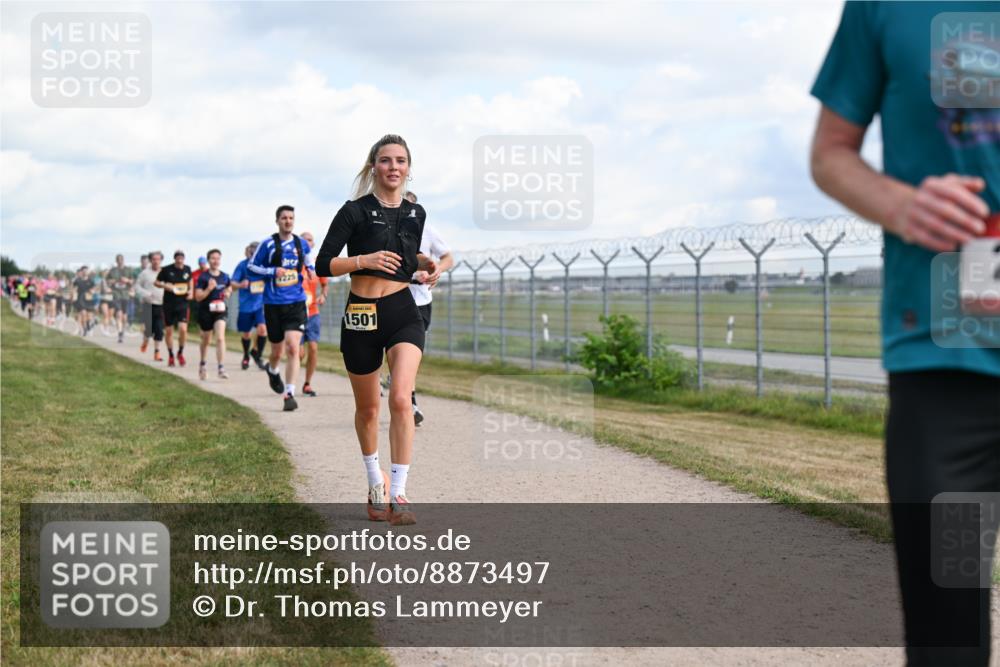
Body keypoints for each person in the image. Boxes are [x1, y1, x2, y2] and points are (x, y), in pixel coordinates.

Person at [810, 4, 1000, 665]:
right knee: (948, 639)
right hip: (947, 369)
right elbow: (831, 152)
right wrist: (902, 205)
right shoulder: (883, 7)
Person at [316, 134, 437, 526]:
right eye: (386, 160)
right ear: (373, 167)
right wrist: (361, 260)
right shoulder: (353, 211)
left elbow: (403, 259)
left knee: (401, 399)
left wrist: (424, 265)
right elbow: (323, 263)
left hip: (403, 310)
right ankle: (375, 481)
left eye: (401, 160)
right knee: (368, 409)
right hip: (362, 314)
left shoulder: (417, 214)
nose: (394, 167)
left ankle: (399, 492)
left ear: (408, 167)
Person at [248, 205, 316, 412]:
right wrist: (272, 271)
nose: (288, 221)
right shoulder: (267, 244)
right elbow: (251, 266)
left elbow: (308, 259)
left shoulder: (300, 243)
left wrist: (311, 270)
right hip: (273, 304)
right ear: (277, 221)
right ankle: (272, 369)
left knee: (293, 347)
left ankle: (289, 393)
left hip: (295, 302)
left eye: (291, 218)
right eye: (284, 218)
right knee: (276, 351)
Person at [403, 191, 453, 425]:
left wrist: (436, 271)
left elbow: (448, 258)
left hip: (421, 300)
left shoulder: (429, 231)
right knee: (398, 352)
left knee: (413, 354)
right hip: (395, 297)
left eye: (411, 208)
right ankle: (408, 400)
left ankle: (406, 395)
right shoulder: (386, 231)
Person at [194, 249, 232, 380]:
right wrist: (209, 289)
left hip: (220, 310)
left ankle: (221, 368)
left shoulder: (225, 276)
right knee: (206, 340)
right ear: (208, 260)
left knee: (220, 338)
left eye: (218, 258)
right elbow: (198, 297)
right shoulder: (203, 277)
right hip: (205, 311)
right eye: (213, 258)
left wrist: (228, 292)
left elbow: (229, 287)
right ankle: (202, 364)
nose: (215, 261)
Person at [299, 231, 328, 397]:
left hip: (313, 312)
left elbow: (324, 285)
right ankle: (291, 381)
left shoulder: (317, 264)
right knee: (299, 353)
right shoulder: (293, 262)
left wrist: (323, 295)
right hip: (296, 312)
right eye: (303, 240)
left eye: (310, 240)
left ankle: (307, 384)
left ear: (313, 244)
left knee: (314, 348)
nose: (307, 242)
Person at [231, 242, 268, 370]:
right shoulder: (242, 266)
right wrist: (241, 284)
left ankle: (258, 355)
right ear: (248, 252)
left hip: (260, 305)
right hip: (245, 306)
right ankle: (246, 355)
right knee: (246, 334)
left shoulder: (264, 265)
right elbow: (233, 284)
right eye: (252, 251)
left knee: (263, 330)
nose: (254, 254)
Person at [155, 250, 192, 367]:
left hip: (183, 303)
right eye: (178, 258)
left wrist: (191, 290)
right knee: (169, 331)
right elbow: (156, 282)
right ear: (175, 259)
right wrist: (165, 285)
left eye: (182, 258)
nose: (180, 260)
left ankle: (180, 353)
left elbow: (191, 280)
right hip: (169, 304)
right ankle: (171, 355)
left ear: (184, 259)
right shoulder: (166, 270)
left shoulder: (187, 269)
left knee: (183, 329)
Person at [135, 251, 165, 361]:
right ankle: (145, 341)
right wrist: (146, 294)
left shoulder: (165, 272)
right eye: (154, 259)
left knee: (159, 329)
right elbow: (137, 286)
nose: (156, 261)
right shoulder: (145, 273)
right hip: (148, 304)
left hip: (161, 304)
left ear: (161, 260)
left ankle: (157, 352)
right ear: (150, 260)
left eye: (158, 259)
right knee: (149, 330)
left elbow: (170, 285)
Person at [106, 254, 133, 343]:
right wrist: (111, 281)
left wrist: (127, 280)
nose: (120, 261)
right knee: (118, 314)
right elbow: (107, 281)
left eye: (121, 259)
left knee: (124, 316)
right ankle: (120, 334)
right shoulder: (113, 271)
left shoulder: (128, 270)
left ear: (123, 260)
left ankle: (123, 330)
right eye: (118, 259)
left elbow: (133, 281)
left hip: (125, 294)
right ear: (116, 261)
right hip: (116, 294)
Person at [72, 267, 95, 335]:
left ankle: (89, 324)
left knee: (89, 317)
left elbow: (94, 289)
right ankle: (84, 329)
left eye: (86, 271)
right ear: (81, 272)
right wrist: (73, 297)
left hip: (89, 299)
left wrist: (92, 291)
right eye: (84, 271)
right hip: (81, 299)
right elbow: (74, 289)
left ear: (88, 272)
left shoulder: (91, 281)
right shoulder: (78, 280)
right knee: (83, 314)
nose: (85, 272)